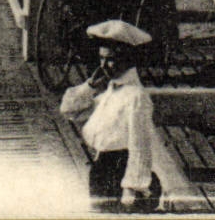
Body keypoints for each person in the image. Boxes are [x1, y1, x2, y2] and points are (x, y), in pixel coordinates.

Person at [59, 20, 161, 212]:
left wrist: (131, 189)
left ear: (127, 58)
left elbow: (139, 145)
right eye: (102, 58)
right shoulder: (109, 91)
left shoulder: (135, 96)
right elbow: (69, 110)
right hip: (101, 169)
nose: (104, 65)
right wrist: (89, 86)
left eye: (111, 59)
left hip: (119, 173)